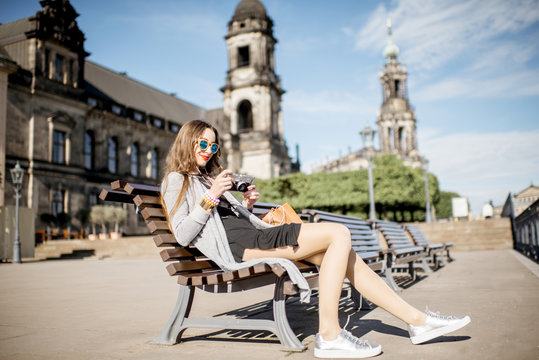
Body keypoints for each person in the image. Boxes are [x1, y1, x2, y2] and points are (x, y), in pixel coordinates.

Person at [161, 120, 470, 359]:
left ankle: (418, 321)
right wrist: (213, 196)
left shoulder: (205, 177)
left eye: (213, 146)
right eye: (203, 143)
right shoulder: (177, 180)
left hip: (255, 236)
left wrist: (247, 205)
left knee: (347, 257)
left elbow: (226, 220)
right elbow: (184, 234)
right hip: (241, 249)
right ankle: (330, 335)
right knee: (338, 233)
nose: (208, 150)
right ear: (188, 142)